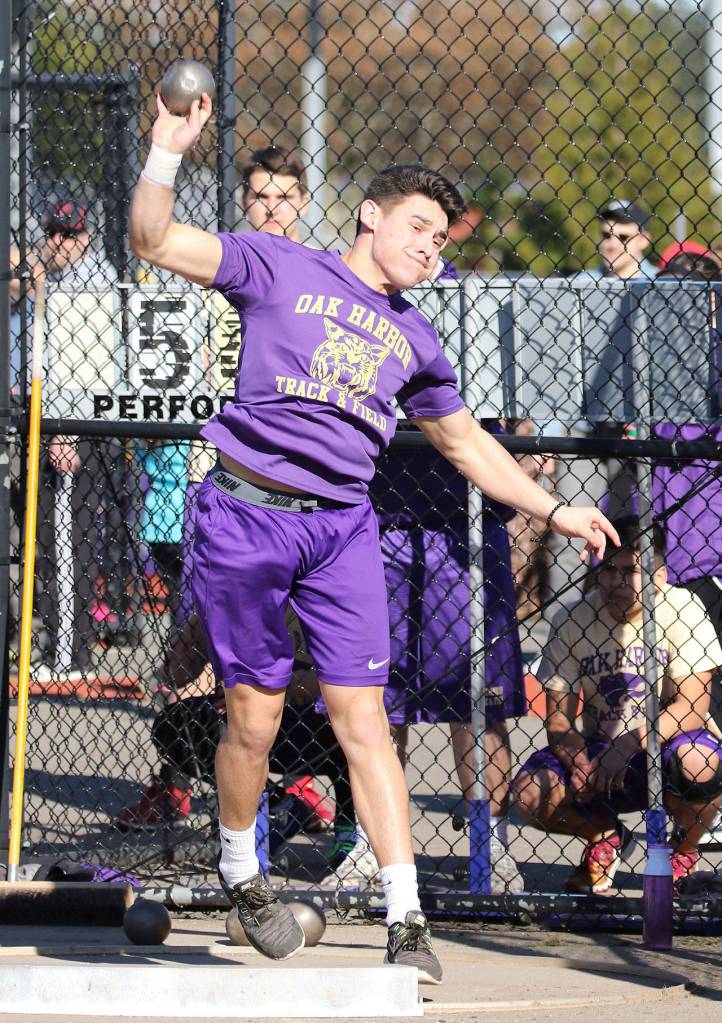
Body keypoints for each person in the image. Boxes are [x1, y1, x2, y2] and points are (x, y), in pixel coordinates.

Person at [129, 90, 618, 983]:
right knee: (253, 719)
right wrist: (166, 152)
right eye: (419, 227)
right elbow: (153, 239)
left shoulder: (416, 338)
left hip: (342, 530)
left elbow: (466, 443)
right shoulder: (279, 264)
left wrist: (556, 510)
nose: (431, 247)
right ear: (368, 214)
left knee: (366, 720)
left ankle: (406, 916)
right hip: (244, 515)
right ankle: (242, 874)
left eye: (442, 238)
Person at [511, 516, 722, 895]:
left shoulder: (682, 607)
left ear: (659, 577)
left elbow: (691, 707)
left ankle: (683, 850)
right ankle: (605, 836)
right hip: (598, 751)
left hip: (666, 746)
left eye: (631, 572)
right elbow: (559, 720)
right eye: (608, 570)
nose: (616, 582)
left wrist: (627, 744)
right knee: (529, 792)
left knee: (699, 761)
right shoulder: (573, 619)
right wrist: (577, 759)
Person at [11, 199, 128, 679]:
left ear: (86, 237)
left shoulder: (88, 283)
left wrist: (66, 431)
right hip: (54, 419)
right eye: (53, 232)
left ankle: (69, 655)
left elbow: (87, 367)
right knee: (52, 538)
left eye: (70, 233)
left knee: (66, 540)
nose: (59, 241)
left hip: (72, 426)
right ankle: (62, 647)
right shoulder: (58, 280)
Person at [547, 199, 656, 622]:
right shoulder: (580, 287)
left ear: (644, 240)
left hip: (640, 431)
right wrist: (549, 435)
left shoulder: (660, 287)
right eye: (607, 234)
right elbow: (558, 367)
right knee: (570, 533)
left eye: (622, 236)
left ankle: (637, 628)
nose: (611, 243)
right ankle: (563, 630)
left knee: (634, 533)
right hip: (584, 429)